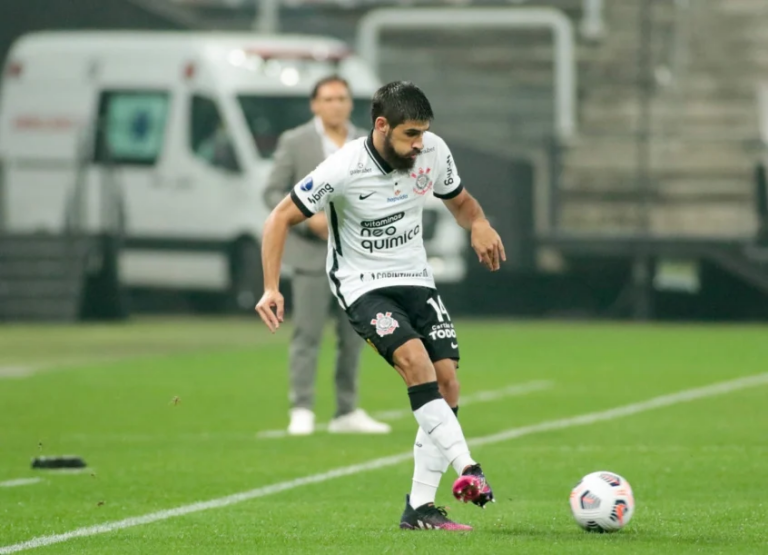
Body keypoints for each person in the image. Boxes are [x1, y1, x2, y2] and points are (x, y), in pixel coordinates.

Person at [256, 81, 505, 531]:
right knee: (415, 363)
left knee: (448, 382)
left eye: (424, 133)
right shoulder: (344, 166)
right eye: (410, 134)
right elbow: (278, 217)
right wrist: (271, 287)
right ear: (381, 126)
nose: (419, 144)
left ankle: (420, 509)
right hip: (362, 285)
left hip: (416, 279)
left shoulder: (432, 152)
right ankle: (468, 467)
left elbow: (461, 202)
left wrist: (480, 224)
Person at [263, 75, 391, 436]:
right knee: (307, 333)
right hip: (311, 257)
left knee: (356, 335)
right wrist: (308, 221)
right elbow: (273, 190)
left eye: (342, 98)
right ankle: (301, 407)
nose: (336, 104)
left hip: (355, 258)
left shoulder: (367, 142)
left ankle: (346, 410)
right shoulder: (296, 141)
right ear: (315, 104)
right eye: (329, 98)